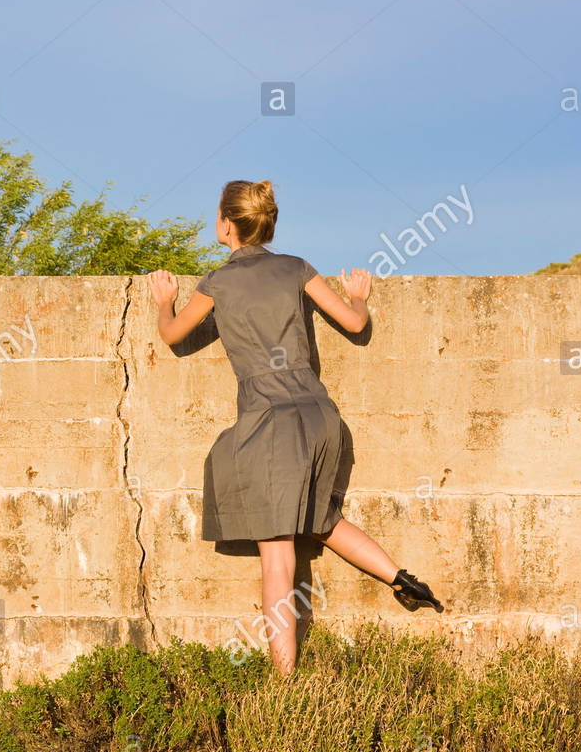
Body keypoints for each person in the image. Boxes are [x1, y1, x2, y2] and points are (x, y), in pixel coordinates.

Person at [147, 179, 443, 676]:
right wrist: (360, 297)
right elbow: (353, 323)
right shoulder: (297, 268)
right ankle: (403, 579)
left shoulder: (217, 282)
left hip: (269, 421)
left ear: (226, 224)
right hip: (319, 415)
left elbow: (174, 336)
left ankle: (284, 683)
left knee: (278, 556)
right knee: (322, 521)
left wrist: (163, 302)